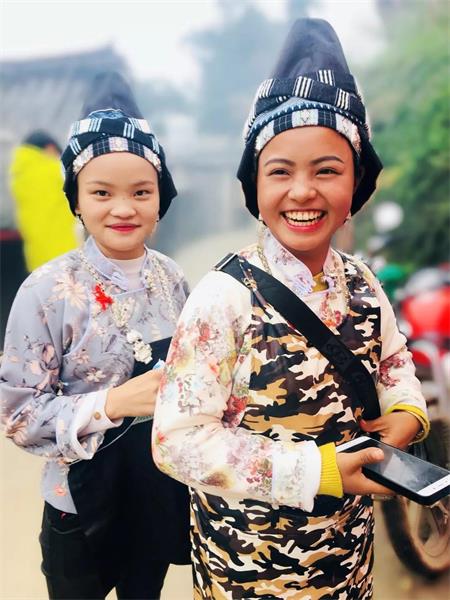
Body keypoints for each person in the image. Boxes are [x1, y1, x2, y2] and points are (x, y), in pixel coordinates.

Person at [152, 19, 429, 599]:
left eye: (327, 170)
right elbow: (175, 441)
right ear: (254, 185)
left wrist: (406, 414)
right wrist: (316, 472)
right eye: (280, 171)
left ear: (357, 184)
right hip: (247, 571)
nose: (303, 191)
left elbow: (395, 364)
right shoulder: (222, 297)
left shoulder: (363, 282)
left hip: (348, 560)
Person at [0, 73, 190, 599]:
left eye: (141, 192)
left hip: (155, 492)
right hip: (77, 509)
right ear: (76, 200)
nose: (123, 208)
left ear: (161, 198)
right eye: (101, 192)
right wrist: (114, 403)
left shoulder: (173, 277)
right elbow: (18, 415)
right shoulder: (46, 290)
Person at [9, 130, 78, 272]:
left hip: (37, 259)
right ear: (50, 148)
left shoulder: (19, 177)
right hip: (66, 253)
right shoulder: (57, 171)